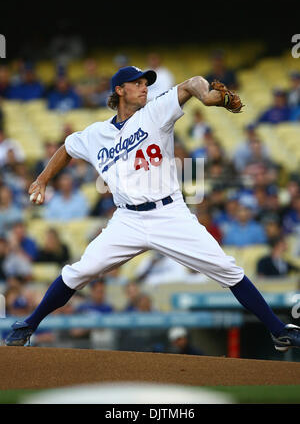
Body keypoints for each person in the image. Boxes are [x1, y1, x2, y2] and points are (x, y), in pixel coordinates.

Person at [5, 65, 300, 353]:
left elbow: (190, 83)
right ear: (119, 90)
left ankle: (278, 330)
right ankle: (28, 325)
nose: (144, 86)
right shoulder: (96, 135)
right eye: (137, 83)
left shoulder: (156, 112)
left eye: (146, 82)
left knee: (226, 268)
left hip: (168, 214)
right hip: (127, 219)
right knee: (79, 272)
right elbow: (67, 148)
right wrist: (42, 179)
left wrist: (208, 95)